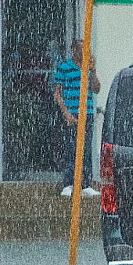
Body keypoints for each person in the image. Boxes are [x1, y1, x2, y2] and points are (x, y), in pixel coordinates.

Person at [52, 41, 100, 198]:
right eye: (81, 49)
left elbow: (96, 89)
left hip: (87, 112)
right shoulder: (64, 67)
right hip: (72, 112)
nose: (84, 51)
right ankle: (68, 183)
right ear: (73, 50)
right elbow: (57, 92)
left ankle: (85, 184)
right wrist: (65, 112)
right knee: (71, 148)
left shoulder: (88, 67)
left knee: (86, 149)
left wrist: (93, 70)